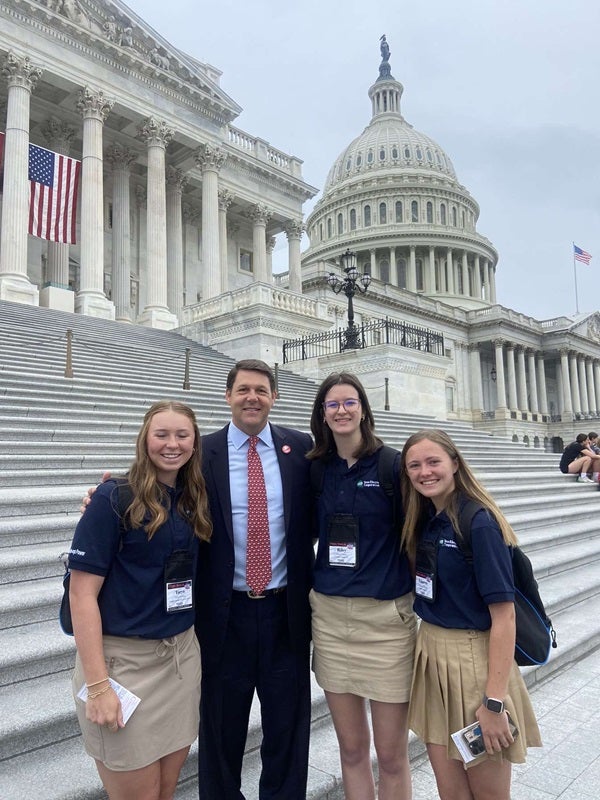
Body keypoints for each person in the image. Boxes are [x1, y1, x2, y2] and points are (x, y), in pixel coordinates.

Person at [68, 400, 212, 800]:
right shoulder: (114, 497)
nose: (172, 444)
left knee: (165, 791)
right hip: (123, 667)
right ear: (144, 439)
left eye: (182, 435)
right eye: (161, 434)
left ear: (194, 442)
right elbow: (81, 595)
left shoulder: (192, 498)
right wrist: (98, 687)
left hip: (180, 660)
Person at [400, 429, 542, 800]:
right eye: (414, 465)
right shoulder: (425, 517)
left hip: (475, 663)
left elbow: (504, 617)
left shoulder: (477, 521)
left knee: (488, 794)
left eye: (434, 462)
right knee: (452, 792)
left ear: (454, 463)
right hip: (431, 657)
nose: (424, 472)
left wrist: (493, 703)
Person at [196, 359, 315, 800]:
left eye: (262, 391)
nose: (252, 398)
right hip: (227, 615)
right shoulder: (200, 451)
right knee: (221, 727)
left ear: (274, 398)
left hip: (285, 612)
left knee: (287, 726)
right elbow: (163, 487)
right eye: (244, 390)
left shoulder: (300, 449)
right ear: (228, 396)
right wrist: (111, 491)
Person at [306, 372, 416, 800]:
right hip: (332, 621)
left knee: (391, 755)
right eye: (332, 405)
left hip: (385, 622)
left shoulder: (391, 465)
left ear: (364, 409)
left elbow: (418, 529)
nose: (341, 411)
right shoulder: (315, 469)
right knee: (352, 750)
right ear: (322, 414)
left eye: (349, 402)